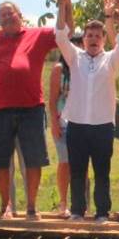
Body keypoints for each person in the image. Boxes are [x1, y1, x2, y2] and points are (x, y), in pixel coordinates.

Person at [0, 0, 57, 220]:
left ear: (20, 14)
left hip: (32, 109)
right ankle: (6, 205)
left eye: (11, 14)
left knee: (34, 158)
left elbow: (63, 31)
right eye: (2, 16)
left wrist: (64, 5)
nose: (7, 18)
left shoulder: (37, 35)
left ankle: (31, 207)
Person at [54, 0, 119, 222]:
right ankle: (77, 211)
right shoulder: (74, 56)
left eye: (98, 36)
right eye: (90, 36)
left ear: (104, 39)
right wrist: (62, 5)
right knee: (77, 171)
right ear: (84, 38)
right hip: (76, 124)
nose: (94, 39)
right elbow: (60, 35)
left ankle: (101, 212)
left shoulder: (111, 59)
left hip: (102, 126)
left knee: (102, 172)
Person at [48, 35, 77, 217]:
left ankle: (79, 204)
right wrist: (54, 123)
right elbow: (51, 100)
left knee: (80, 165)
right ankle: (63, 203)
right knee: (65, 163)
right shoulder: (59, 69)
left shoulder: (82, 68)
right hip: (63, 122)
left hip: (81, 122)